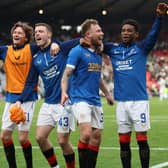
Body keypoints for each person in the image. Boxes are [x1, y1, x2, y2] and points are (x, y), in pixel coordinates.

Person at [103, 2, 168, 168]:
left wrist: (159, 17)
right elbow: (92, 42)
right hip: (121, 102)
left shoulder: (141, 48)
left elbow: (153, 35)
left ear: (136, 34)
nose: (125, 33)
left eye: (129, 31)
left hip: (139, 102)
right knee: (123, 142)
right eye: (123, 30)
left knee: (141, 140)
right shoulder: (113, 49)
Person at [17, 23, 80, 168]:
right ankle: (55, 167)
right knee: (40, 137)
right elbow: (30, 82)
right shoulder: (36, 58)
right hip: (48, 103)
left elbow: (80, 40)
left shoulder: (62, 49)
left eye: (40, 31)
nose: (37, 34)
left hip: (65, 103)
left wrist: (57, 42)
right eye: (36, 32)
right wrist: (20, 100)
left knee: (63, 141)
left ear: (49, 35)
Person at [0, 21, 58, 168]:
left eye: (20, 33)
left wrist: (55, 43)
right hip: (10, 98)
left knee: (22, 138)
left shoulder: (31, 49)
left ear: (26, 37)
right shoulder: (4, 51)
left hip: (27, 98)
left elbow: (47, 42)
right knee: (4, 136)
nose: (16, 34)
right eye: (15, 32)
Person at [61, 19, 114, 168]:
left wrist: (108, 94)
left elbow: (98, 78)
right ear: (88, 34)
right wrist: (64, 92)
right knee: (86, 134)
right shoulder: (77, 51)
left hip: (95, 100)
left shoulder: (97, 53)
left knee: (96, 137)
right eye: (98, 31)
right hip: (80, 99)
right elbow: (66, 74)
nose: (102, 33)